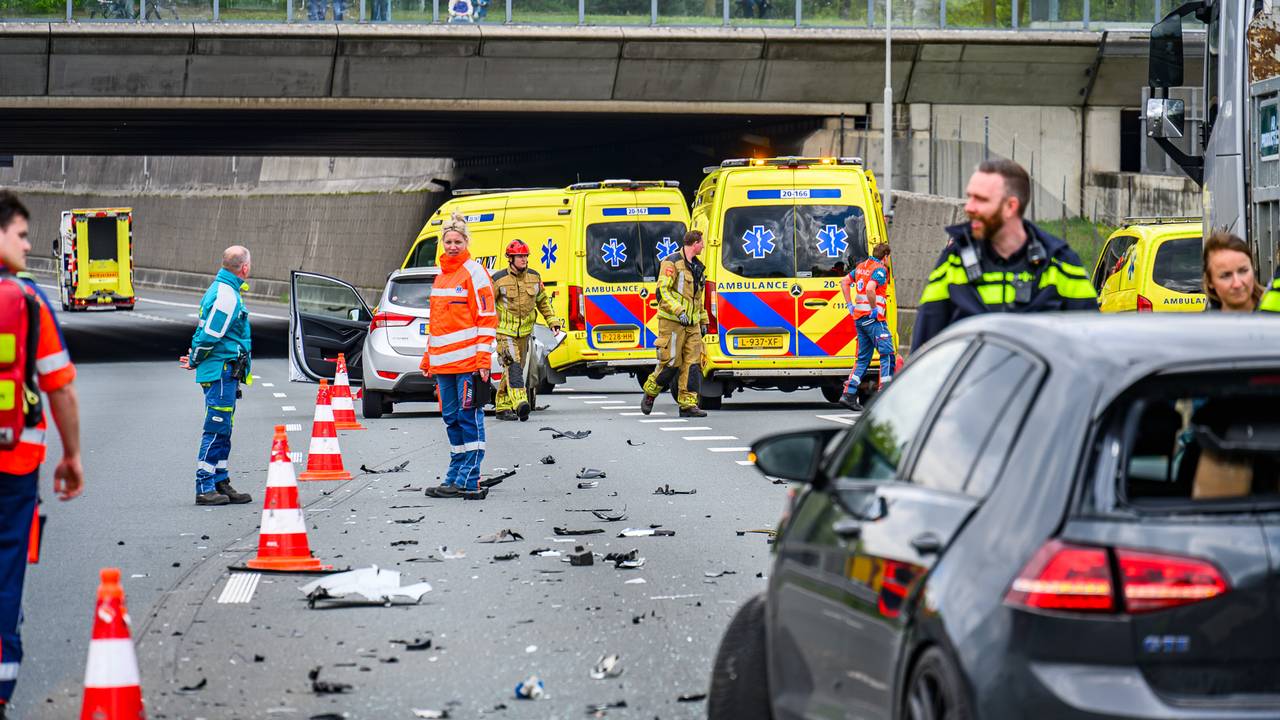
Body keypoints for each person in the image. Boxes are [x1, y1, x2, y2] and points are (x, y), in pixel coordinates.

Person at [0, 190, 83, 719]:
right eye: (22, 235)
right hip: (13, 466)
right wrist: (71, 456)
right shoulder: (27, 300)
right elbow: (59, 387)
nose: (29, 246)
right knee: (5, 575)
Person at [912, 159, 1097, 352]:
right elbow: (923, 348)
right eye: (970, 197)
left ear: (1010, 206)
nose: (969, 207)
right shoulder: (954, 261)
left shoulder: (1060, 262)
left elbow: (1092, 347)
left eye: (981, 199)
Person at [420, 213, 498, 499]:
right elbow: (437, 323)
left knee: (468, 418)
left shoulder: (475, 274)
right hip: (443, 366)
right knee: (451, 419)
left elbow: (487, 319)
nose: (452, 246)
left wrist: (483, 361)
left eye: (458, 242)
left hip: (468, 365)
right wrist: (428, 357)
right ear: (442, 243)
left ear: (466, 242)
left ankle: (470, 479)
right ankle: (455, 476)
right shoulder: (441, 276)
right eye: (448, 242)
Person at [179, 246, 254, 506]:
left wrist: (195, 356)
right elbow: (211, 333)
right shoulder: (226, 295)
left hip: (224, 369)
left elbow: (206, 331)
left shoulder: (225, 290)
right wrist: (195, 358)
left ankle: (220, 481)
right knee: (216, 426)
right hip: (221, 368)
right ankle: (204, 486)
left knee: (224, 428)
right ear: (245, 268)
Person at [640, 230, 708, 418]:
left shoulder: (697, 266)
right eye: (702, 243)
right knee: (671, 363)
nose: (703, 246)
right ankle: (650, 393)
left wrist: (703, 320)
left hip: (692, 324)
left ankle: (688, 405)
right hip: (672, 323)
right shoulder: (671, 262)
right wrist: (679, 310)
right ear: (695, 243)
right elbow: (663, 291)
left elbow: (698, 299)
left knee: (693, 365)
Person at [491, 239, 561, 422]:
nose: (524, 259)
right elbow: (487, 305)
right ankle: (521, 403)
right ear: (510, 258)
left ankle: (502, 407)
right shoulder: (498, 280)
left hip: (525, 334)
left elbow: (543, 302)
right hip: (505, 332)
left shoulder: (534, 277)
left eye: (525, 256)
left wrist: (552, 321)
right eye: (519, 256)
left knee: (513, 369)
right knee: (513, 366)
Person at [837, 243, 894, 411]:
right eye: (889, 257)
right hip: (874, 320)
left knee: (862, 359)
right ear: (885, 256)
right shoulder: (880, 269)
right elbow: (870, 289)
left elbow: (844, 281)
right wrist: (874, 308)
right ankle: (885, 396)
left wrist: (850, 305)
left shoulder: (862, 266)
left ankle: (848, 394)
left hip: (859, 320)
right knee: (887, 355)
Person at [1202, 232, 1269, 312]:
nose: (1237, 284)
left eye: (1243, 271)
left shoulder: (1275, 310)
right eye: (1226, 276)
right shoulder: (1205, 320)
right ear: (1210, 281)